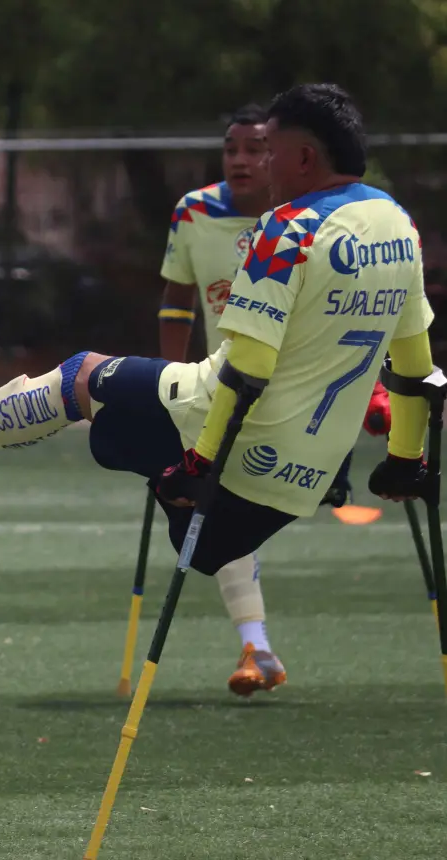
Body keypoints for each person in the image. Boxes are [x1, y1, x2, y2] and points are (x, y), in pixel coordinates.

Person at [0, 84, 433, 617]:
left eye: (271, 153)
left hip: (228, 445)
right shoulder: (399, 226)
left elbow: (249, 372)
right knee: (113, 430)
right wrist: (407, 462)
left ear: (306, 158)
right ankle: (252, 635)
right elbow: (415, 369)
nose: (261, 167)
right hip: (303, 478)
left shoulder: (290, 228)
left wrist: (200, 464)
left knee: (79, 376)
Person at [155, 104, 391, 695]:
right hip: (230, 393)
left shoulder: (313, 221)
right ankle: (256, 648)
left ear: (286, 156)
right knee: (216, 503)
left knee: (225, 503)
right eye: (231, 148)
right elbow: (176, 300)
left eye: (257, 148)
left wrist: (377, 390)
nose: (241, 160)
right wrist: (170, 374)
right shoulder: (194, 212)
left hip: (301, 402)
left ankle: (258, 648)